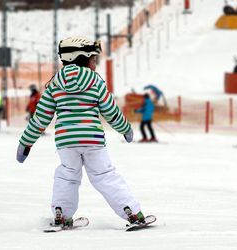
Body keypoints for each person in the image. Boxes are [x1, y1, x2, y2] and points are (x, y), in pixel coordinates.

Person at [16, 36, 148, 228]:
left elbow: (41, 118)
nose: (95, 64)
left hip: (66, 142)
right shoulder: (96, 82)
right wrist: (125, 129)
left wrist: (26, 142)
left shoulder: (54, 84)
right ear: (81, 57)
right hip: (93, 140)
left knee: (67, 176)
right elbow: (111, 112)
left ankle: (61, 213)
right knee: (105, 175)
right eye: (93, 59)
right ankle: (132, 212)